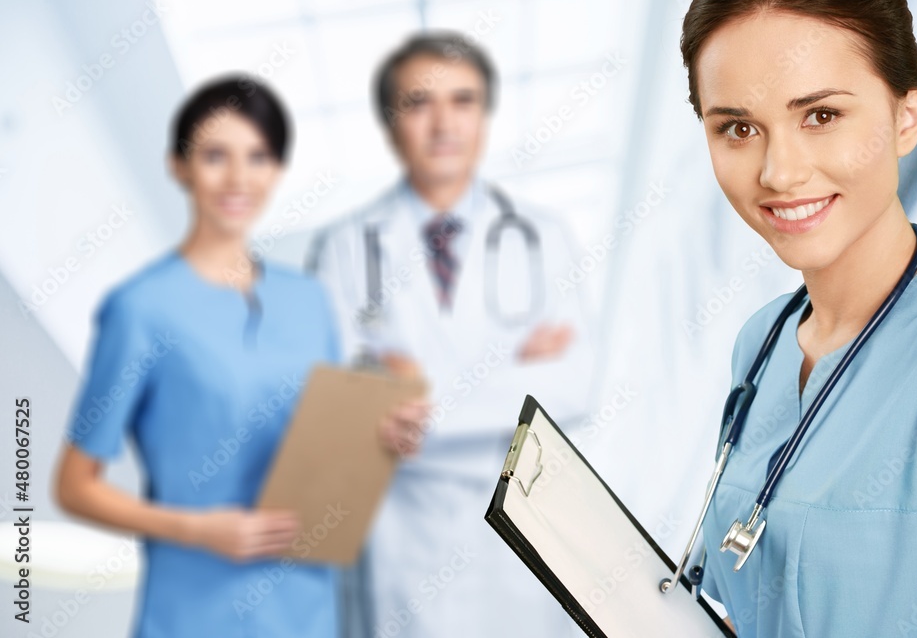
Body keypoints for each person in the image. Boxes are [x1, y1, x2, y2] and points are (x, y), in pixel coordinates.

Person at [676, 0, 917, 636]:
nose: (779, 172)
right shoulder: (760, 342)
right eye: (738, 127)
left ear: (906, 115)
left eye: (820, 115)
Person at [308, 32, 595, 637]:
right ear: (390, 123)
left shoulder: (542, 237)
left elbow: (572, 383)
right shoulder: (344, 249)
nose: (444, 123)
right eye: (418, 103)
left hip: (514, 524)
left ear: (485, 116)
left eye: (462, 100)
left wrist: (413, 399)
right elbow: (334, 402)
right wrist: (509, 369)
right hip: (398, 534)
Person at [55, 77, 346, 637]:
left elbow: (327, 443)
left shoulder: (308, 300)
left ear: (278, 171)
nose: (239, 178)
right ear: (178, 166)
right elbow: (74, 485)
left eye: (258, 157)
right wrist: (197, 530)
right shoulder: (140, 310)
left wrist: (385, 436)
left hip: (309, 608)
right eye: (216, 156)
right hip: (196, 611)